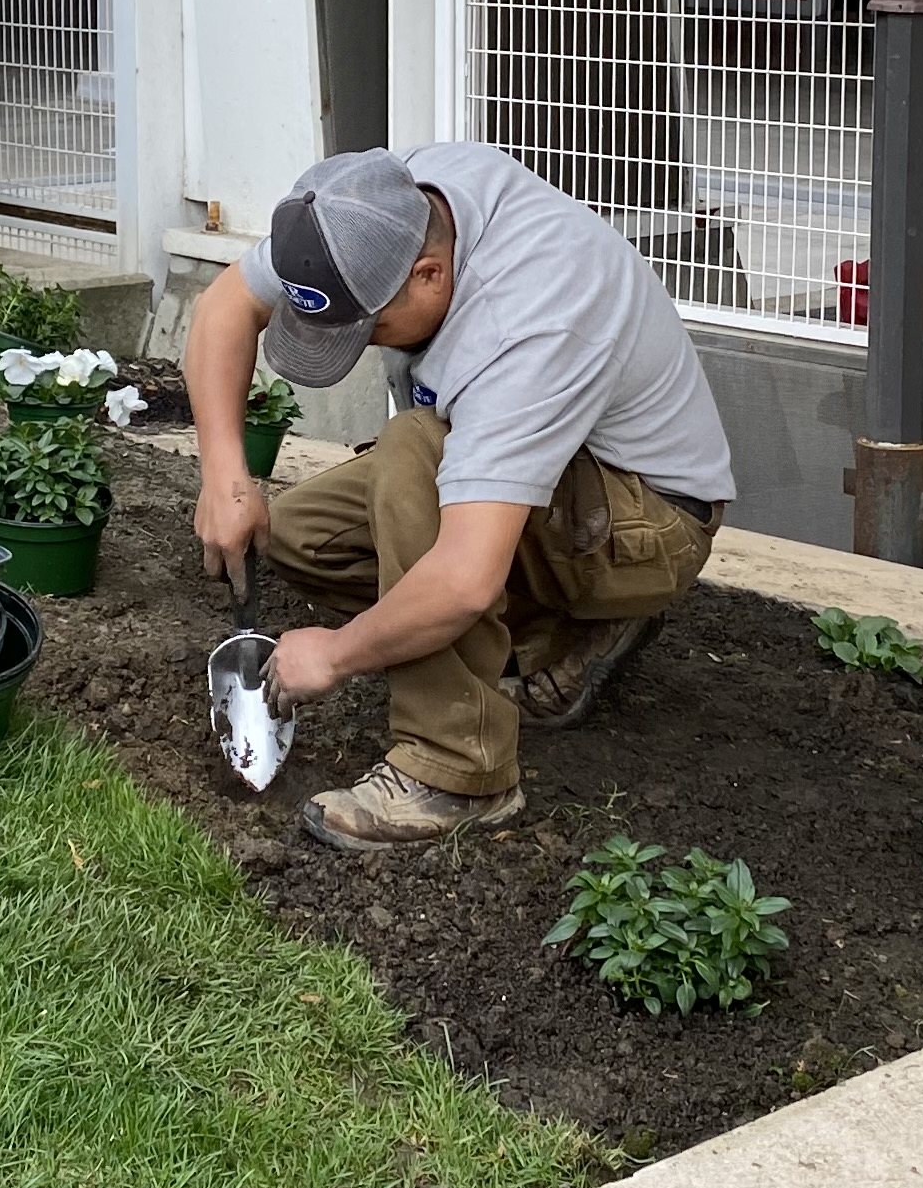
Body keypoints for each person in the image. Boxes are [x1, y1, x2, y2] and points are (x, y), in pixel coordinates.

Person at [185, 144, 738, 852]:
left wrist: (336, 654)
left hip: (644, 521)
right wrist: (226, 475)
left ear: (429, 274)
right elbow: (226, 305)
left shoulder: (527, 321)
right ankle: (561, 637)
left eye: (369, 329)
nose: (365, 348)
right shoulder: (373, 207)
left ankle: (458, 770)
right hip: (552, 488)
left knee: (413, 449)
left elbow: (466, 579)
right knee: (298, 535)